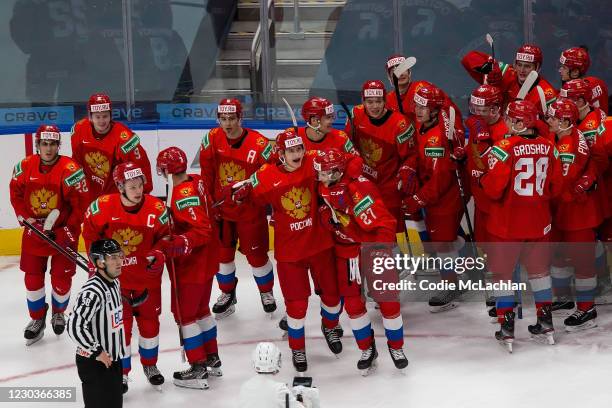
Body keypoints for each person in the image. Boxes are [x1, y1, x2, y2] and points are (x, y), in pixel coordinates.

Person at [232, 130, 343, 372]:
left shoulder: (314, 163)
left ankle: (330, 326)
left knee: (333, 299)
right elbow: (249, 199)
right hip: (290, 254)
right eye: (291, 151)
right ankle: (297, 348)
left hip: (320, 245)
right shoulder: (267, 175)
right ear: (280, 154)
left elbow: (345, 162)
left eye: (299, 149)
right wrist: (242, 195)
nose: (297, 154)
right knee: (296, 306)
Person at [314, 148, 408, 374]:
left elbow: (379, 224)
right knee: (353, 303)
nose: (321, 178)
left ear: (337, 172)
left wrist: (380, 251)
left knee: (388, 301)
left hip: (373, 247)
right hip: (346, 252)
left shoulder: (360, 187)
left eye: (325, 173)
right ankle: (367, 348)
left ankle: (397, 347)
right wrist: (327, 217)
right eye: (320, 173)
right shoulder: (324, 185)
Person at [480, 100, 563, 352]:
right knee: (539, 274)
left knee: (503, 276)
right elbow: (556, 187)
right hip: (539, 223)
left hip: (507, 226)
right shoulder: (551, 147)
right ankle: (546, 323)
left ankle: (506, 329)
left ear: (518, 123)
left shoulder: (503, 148)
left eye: (509, 118)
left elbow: (493, 190)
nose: (505, 121)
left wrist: (483, 178)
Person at [82, 162, 168, 393]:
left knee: (150, 325)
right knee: (121, 328)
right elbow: (89, 234)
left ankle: (150, 365)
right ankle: (122, 373)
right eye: (132, 186)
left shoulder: (156, 208)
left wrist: (159, 253)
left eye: (140, 185)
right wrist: (96, 261)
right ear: (120, 186)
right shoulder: (102, 208)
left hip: (148, 281)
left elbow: (166, 238)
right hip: (116, 283)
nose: (138, 190)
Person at [9, 124, 88, 345]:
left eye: (53, 143)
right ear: (38, 145)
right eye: (44, 143)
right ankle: (37, 319)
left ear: (58, 145)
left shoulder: (71, 169)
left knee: (61, 279)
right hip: (35, 232)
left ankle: (58, 313)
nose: (49, 148)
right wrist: (26, 217)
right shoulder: (24, 167)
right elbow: (15, 194)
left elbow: (80, 205)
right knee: (33, 279)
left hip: (64, 233)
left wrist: (65, 230)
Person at [199, 98, 276, 318]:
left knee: (257, 257)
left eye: (232, 118)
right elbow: (206, 175)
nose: (227, 123)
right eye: (223, 119)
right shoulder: (211, 139)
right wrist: (208, 204)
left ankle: (266, 292)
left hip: (250, 212)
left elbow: (271, 173)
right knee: (222, 257)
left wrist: (253, 187)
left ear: (240, 118)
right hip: (222, 212)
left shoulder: (259, 144)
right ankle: (227, 294)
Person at [156, 147, 222, 389]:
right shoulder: (197, 181)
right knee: (202, 310)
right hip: (206, 261)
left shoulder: (184, 194)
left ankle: (198, 366)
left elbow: (202, 229)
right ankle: (212, 357)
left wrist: (182, 241)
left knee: (185, 315)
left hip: (193, 264)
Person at [401, 84, 466, 312]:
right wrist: (410, 167)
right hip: (437, 195)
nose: (418, 110)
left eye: (423, 106)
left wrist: (417, 199)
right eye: (416, 105)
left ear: (435, 110)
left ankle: (452, 286)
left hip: (444, 198)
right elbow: (419, 157)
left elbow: (439, 181)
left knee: (442, 245)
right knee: (445, 239)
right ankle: (461, 271)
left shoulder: (437, 138)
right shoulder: (423, 125)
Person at [546, 98, 602, 331]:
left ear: (565, 121)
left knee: (582, 262)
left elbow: (562, 185)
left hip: (577, 214)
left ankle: (587, 308)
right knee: (558, 255)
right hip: (564, 211)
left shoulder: (569, 146)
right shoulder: (563, 135)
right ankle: (564, 298)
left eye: (552, 117)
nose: (547, 120)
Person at [348, 79, 416, 233]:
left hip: (389, 188)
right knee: (367, 231)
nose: (374, 106)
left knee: (393, 231)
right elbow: (347, 146)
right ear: (363, 101)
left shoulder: (400, 124)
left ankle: (396, 256)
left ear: (385, 100)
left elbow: (411, 155)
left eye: (378, 101)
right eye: (369, 102)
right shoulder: (356, 114)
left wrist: (407, 169)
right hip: (363, 186)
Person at [67, 239, 126, 408]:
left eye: (119, 256)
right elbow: (74, 326)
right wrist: (97, 351)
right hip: (96, 362)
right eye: (113, 258)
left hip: (112, 359)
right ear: (100, 262)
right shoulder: (92, 292)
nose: (119, 262)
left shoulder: (114, 283)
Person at [71, 93, 152, 206]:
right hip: (89, 192)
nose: (101, 121)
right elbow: (76, 162)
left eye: (105, 116)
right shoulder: (79, 129)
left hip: (114, 194)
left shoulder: (124, 137)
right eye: (97, 117)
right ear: (90, 116)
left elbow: (141, 165)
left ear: (110, 115)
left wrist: (144, 194)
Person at [461, 44, 558, 114]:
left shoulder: (546, 93)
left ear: (537, 68)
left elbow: (550, 127)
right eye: (519, 65)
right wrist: (485, 67)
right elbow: (467, 58)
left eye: (527, 66)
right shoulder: (505, 72)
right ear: (514, 64)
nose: (522, 70)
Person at [238, 342, 320, 408]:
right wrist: (305, 402)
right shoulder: (279, 389)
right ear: (278, 361)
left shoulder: (245, 386)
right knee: (312, 393)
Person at [558, 46, 608, 114]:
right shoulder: (598, 82)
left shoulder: (572, 94)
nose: (560, 70)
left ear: (575, 72)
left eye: (564, 68)